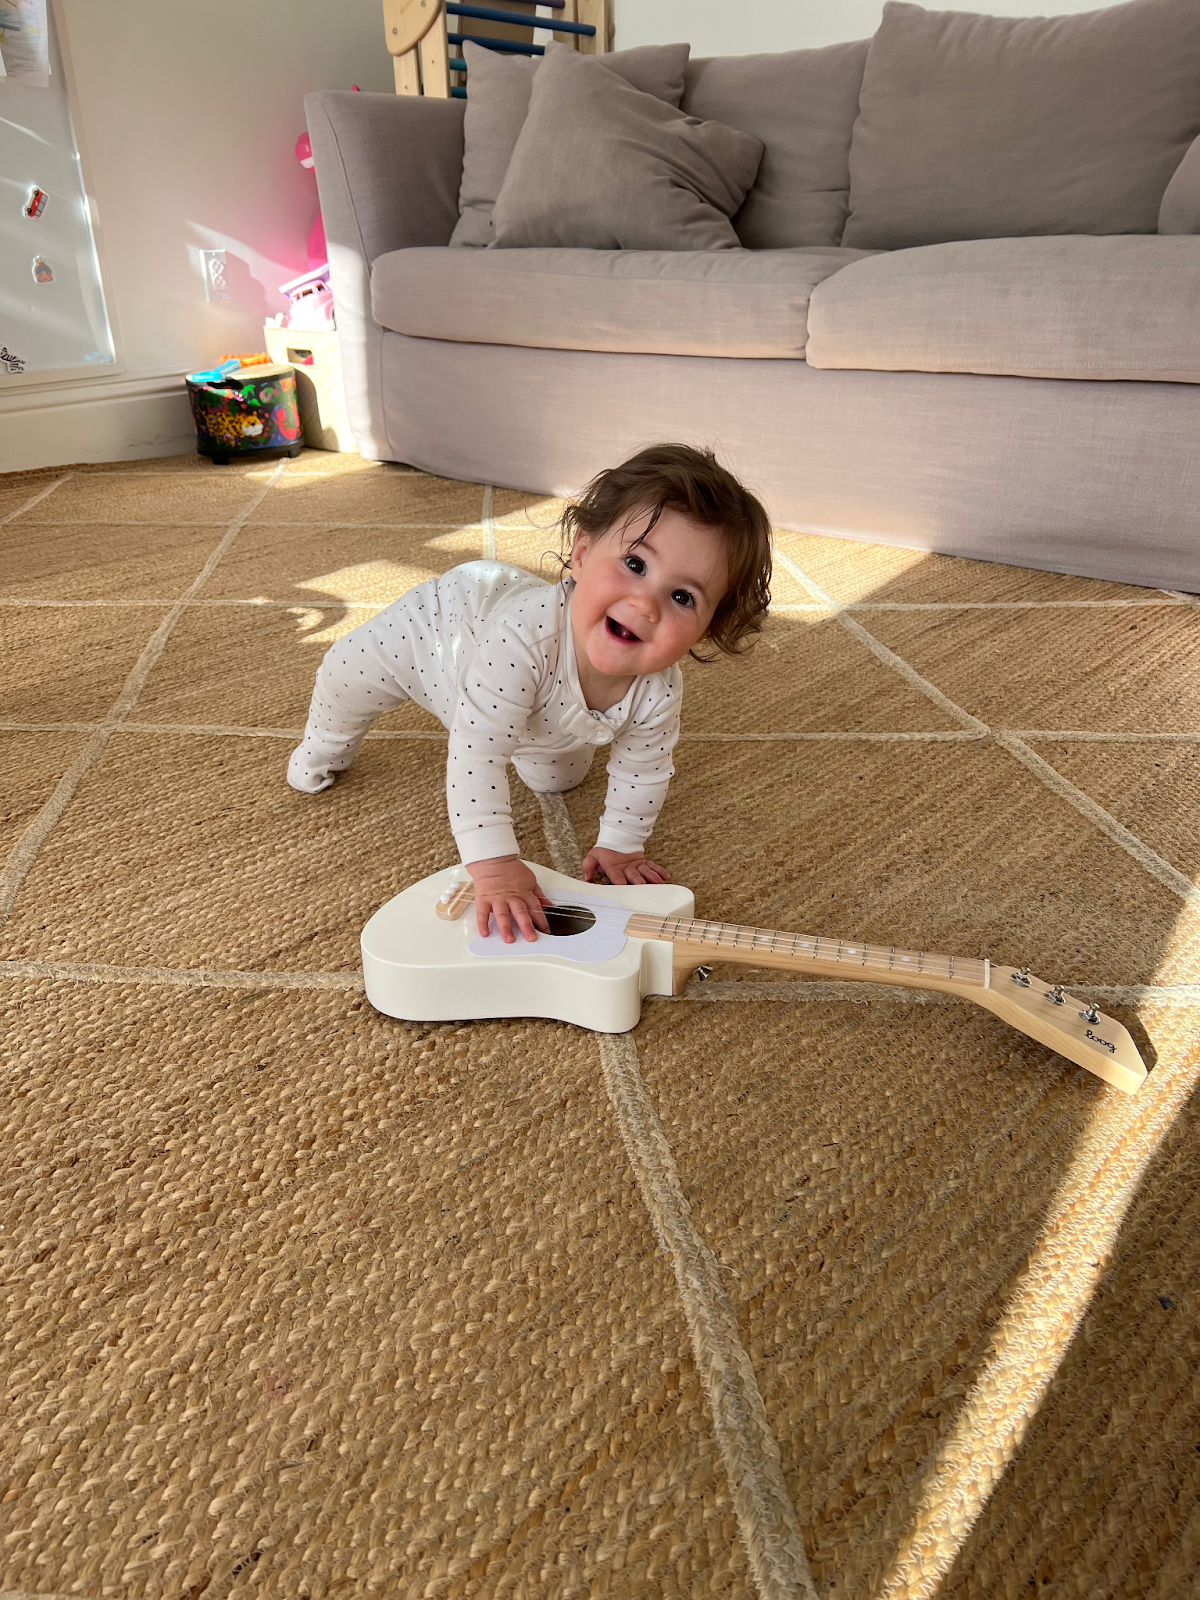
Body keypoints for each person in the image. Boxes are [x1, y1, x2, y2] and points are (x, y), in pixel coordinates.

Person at [287, 443, 772, 942]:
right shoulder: (521, 640)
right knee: (346, 673)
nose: (646, 605)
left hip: (539, 714)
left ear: (706, 630)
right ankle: (323, 745)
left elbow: (643, 769)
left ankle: (539, 743)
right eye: (634, 563)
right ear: (581, 554)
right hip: (443, 634)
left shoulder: (658, 688)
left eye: (682, 597)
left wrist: (621, 844)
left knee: (556, 777)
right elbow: (476, 756)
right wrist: (495, 867)